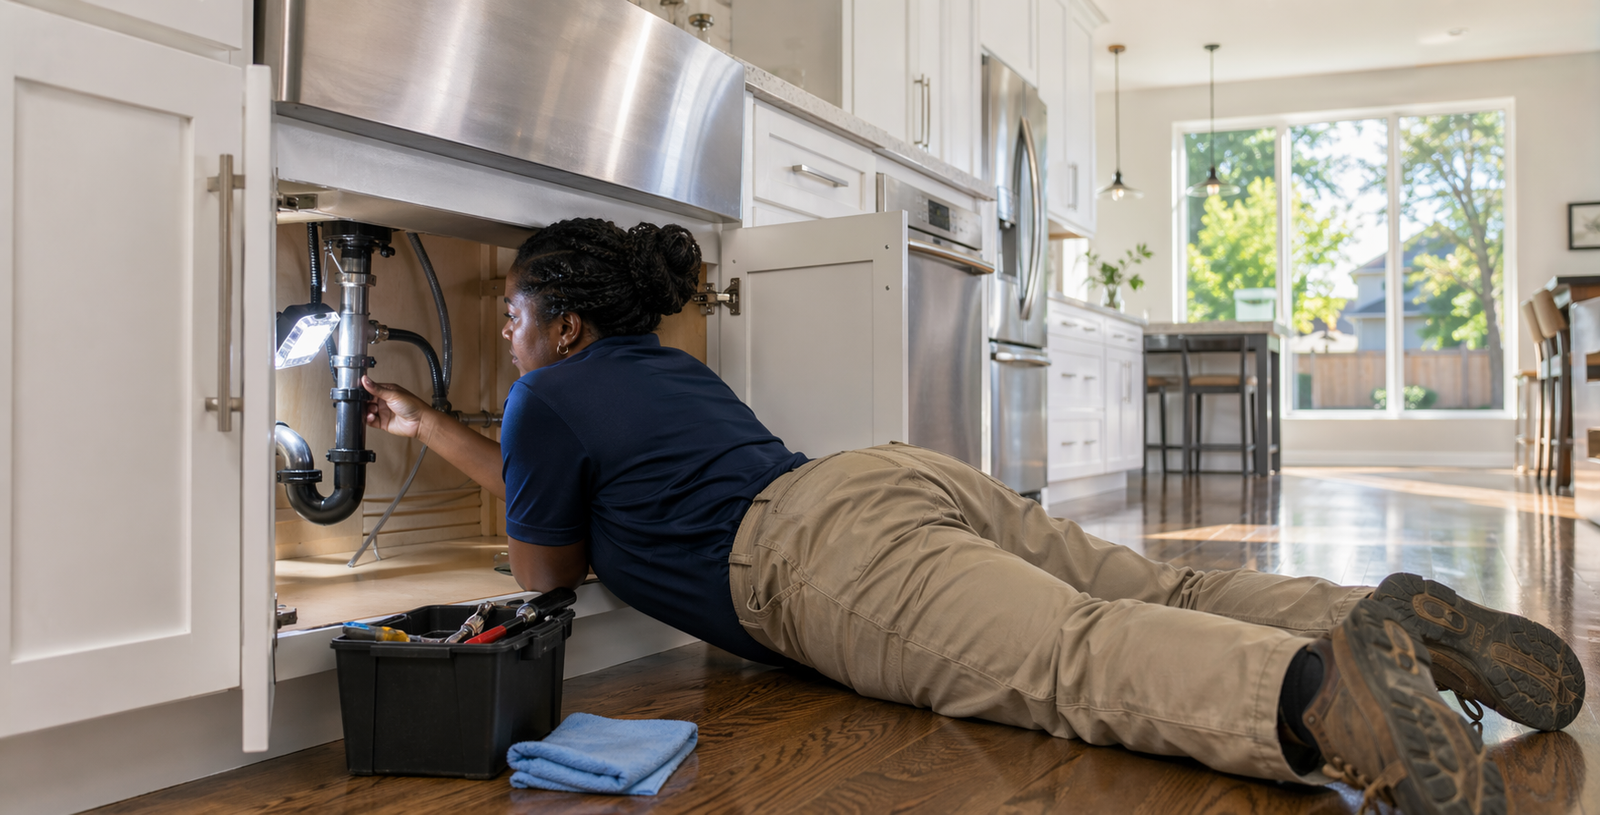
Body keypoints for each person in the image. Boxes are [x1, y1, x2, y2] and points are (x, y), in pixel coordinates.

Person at [361, 218, 1583, 815]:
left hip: (811, 557)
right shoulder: (662, 368)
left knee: (1068, 654)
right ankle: (1391, 630)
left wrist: (483, 426)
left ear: (562, 325)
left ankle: (1332, 702)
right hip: (893, 479)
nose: (507, 331)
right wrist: (433, 425)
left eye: (514, 312)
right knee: (1156, 586)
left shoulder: (544, 396)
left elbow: (542, 560)